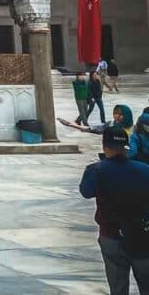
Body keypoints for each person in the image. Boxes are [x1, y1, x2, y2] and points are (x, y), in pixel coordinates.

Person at [79, 125, 149, 294]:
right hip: (142, 236)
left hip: (111, 235)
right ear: (126, 147)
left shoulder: (95, 170)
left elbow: (86, 192)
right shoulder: (144, 170)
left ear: (105, 147)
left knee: (118, 286)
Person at [60, 105, 134, 137]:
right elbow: (94, 129)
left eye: (120, 114)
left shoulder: (134, 129)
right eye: (115, 113)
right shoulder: (110, 125)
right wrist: (75, 126)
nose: (116, 116)